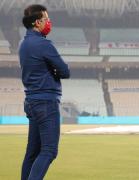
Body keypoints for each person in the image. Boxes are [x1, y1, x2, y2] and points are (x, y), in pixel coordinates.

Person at [19, 4, 70, 180]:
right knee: (49, 151)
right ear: (36, 22)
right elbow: (65, 71)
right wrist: (54, 71)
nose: (49, 22)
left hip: (31, 102)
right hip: (46, 102)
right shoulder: (43, 44)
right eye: (46, 19)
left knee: (32, 153)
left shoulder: (23, 44)